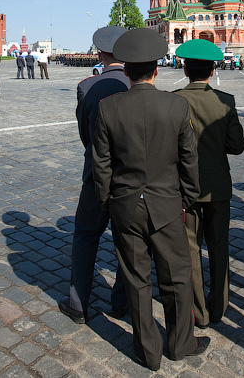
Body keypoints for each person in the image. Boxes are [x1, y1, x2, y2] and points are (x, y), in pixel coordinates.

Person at [92, 28, 208, 371]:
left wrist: (108, 202)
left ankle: (147, 352)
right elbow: (189, 160)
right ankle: (180, 342)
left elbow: (102, 166)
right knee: (176, 277)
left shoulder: (108, 107)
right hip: (168, 207)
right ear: (156, 70)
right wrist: (186, 199)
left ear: (125, 70)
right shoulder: (176, 105)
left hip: (126, 207)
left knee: (136, 282)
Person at [59, 27, 130, 325]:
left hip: (95, 174)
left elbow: (84, 135)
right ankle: (122, 301)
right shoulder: (137, 84)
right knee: (128, 241)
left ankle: (78, 304)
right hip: (130, 178)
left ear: (100, 54)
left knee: (86, 236)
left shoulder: (87, 86)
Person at [173, 39, 244, 327]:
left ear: (184, 68)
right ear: (213, 69)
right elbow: (237, 145)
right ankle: (219, 306)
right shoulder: (225, 101)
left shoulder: (174, 99)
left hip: (184, 187)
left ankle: (198, 311)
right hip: (217, 185)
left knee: (190, 249)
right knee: (219, 246)